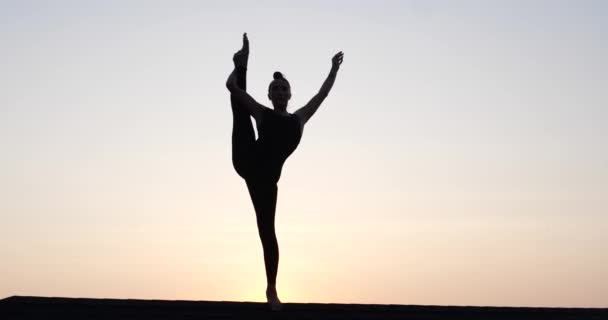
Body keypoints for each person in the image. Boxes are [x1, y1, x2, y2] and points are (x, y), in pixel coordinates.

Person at [226, 33, 343, 311]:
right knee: (241, 111)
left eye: (283, 89)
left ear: (290, 95)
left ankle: (271, 289)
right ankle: (242, 63)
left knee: (267, 231)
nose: (278, 92)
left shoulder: (299, 119)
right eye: (274, 89)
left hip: (267, 181)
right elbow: (234, 91)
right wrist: (234, 80)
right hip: (246, 159)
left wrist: (333, 70)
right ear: (269, 94)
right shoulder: (263, 112)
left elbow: (322, 95)